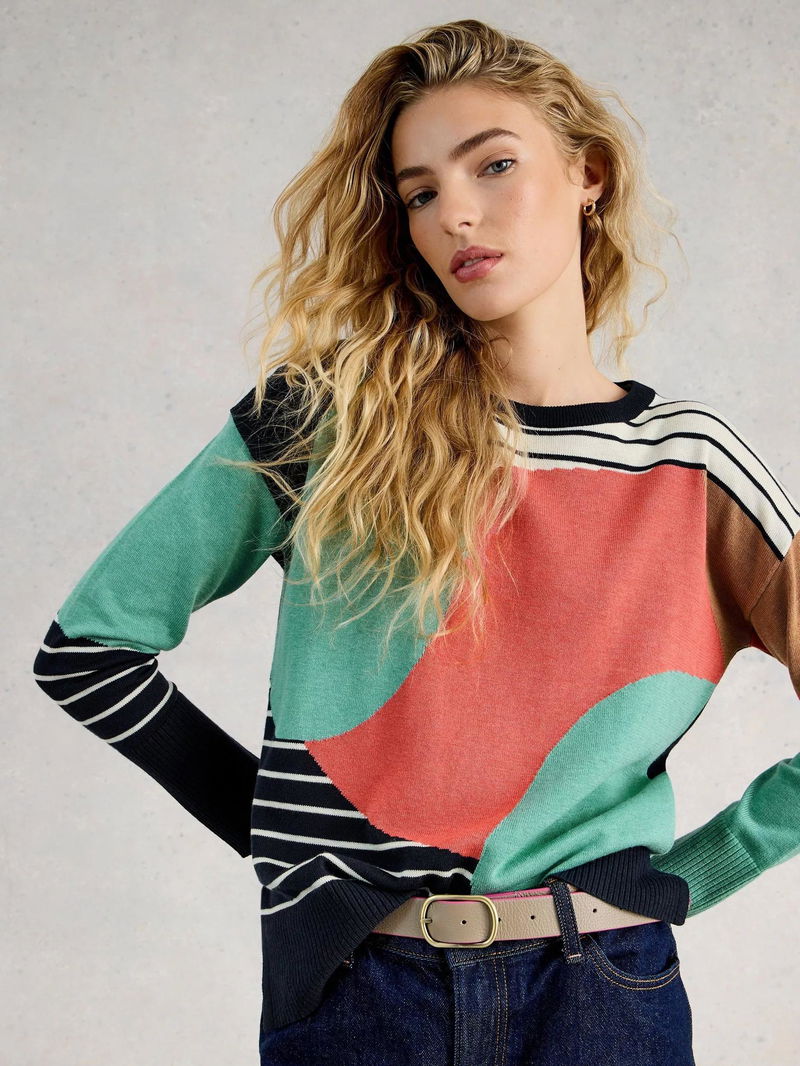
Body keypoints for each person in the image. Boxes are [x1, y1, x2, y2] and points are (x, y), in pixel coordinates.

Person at [32, 18, 800, 1066]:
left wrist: (696, 873)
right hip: (354, 994)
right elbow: (89, 650)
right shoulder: (324, 418)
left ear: (589, 174)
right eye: (420, 192)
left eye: (494, 165)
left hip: (601, 998)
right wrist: (286, 852)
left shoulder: (691, 466)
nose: (457, 214)